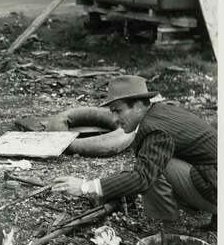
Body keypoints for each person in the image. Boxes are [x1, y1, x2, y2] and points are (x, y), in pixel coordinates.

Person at [53, 75, 217, 231]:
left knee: (157, 170)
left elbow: (142, 177)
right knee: (156, 163)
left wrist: (85, 187)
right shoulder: (160, 112)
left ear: (138, 106)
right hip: (213, 176)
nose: (115, 119)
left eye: (118, 111)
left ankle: (167, 229)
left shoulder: (155, 129)